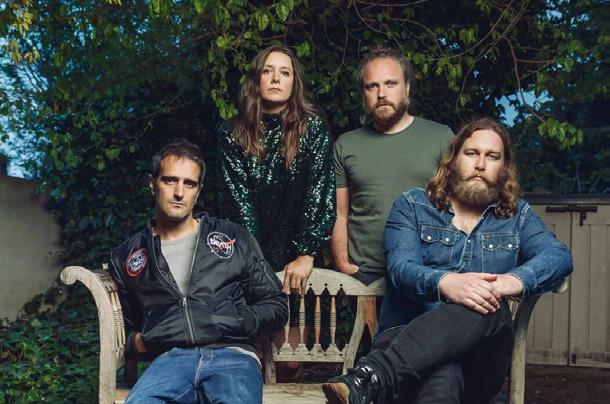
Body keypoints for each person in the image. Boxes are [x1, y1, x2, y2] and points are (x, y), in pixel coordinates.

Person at [322, 117, 573, 404]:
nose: (480, 164)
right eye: (471, 153)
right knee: (444, 371)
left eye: (492, 157)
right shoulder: (412, 206)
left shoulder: (518, 216)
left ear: (504, 168)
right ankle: (379, 376)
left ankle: (371, 376)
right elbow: (401, 270)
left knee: (486, 301)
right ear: (453, 158)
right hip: (406, 342)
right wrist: (446, 283)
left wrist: (509, 281)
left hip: (478, 361)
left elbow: (558, 256)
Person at [108, 140, 288, 404]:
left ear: (198, 191)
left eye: (189, 183)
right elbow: (128, 328)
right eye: (170, 180)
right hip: (169, 361)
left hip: (233, 357)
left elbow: (276, 306)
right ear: (152, 183)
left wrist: (231, 323)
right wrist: (142, 341)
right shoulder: (128, 255)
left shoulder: (233, 237)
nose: (179, 192)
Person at [217, 45, 334, 293]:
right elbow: (237, 203)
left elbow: (319, 191)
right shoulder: (231, 132)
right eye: (268, 71)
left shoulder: (313, 128)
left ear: (294, 83)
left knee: (298, 315)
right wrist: (254, 264)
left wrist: (306, 254)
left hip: (299, 259)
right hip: (247, 257)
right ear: (256, 80)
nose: (276, 79)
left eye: (285, 72)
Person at [332, 46, 454, 285]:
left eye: (390, 83)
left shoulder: (441, 137)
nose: (381, 94)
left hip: (425, 271)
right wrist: (343, 263)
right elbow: (340, 213)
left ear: (406, 87)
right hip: (363, 274)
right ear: (363, 94)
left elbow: (458, 206)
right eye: (372, 86)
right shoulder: (346, 144)